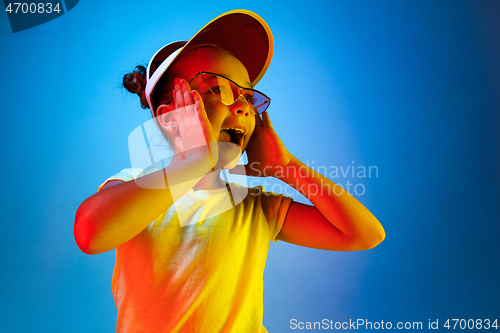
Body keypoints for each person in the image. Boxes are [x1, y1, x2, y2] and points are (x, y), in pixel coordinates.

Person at [74, 10, 385, 333]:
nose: (241, 107)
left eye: (248, 98)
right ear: (169, 118)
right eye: (219, 90)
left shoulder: (254, 206)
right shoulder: (133, 186)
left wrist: (285, 167)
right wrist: (192, 164)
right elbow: (90, 233)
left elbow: (364, 234)